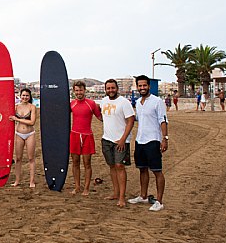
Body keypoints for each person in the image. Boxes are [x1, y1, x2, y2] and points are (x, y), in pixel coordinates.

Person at [128, 75, 169, 212]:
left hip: (153, 140)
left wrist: (165, 138)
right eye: (140, 86)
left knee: (157, 171)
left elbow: (162, 120)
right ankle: (143, 196)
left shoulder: (157, 101)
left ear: (149, 86)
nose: (142, 88)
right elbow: (136, 119)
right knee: (142, 169)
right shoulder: (138, 102)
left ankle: (159, 201)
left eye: (144, 85)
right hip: (140, 140)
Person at [100, 79, 135, 208]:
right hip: (107, 139)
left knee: (120, 166)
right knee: (112, 166)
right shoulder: (103, 102)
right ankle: (115, 193)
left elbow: (131, 121)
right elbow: (102, 117)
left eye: (113, 88)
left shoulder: (124, 103)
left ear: (117, 88)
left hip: (121, 141)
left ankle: (122, 197)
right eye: (108, 88)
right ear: (105, 89)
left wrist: (123, 139)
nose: (110, 90)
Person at [69, 81, 102, 196]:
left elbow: (101, 118)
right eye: (77, 90)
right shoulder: (71, 104)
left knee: (87, 163)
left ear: (85, 90)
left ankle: (86, 188)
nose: (79, 92)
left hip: (87, 135)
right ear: (74, 91)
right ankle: (77, 186)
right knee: (75, 162)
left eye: (81, 90)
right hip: (74, 135)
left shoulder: (91, 104)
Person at [8, 88, 37, 188]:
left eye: (27, 95)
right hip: (18, 133)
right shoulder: (16, 107)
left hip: (30, 134)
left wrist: (17, 119)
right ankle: (17, 180)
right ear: (20, 96)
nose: (25, 97)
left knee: (31, 158)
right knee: (18, 158)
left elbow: (32, 122)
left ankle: (32, 181)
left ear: (30, 97)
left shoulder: (32, 107)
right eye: (23, 95)